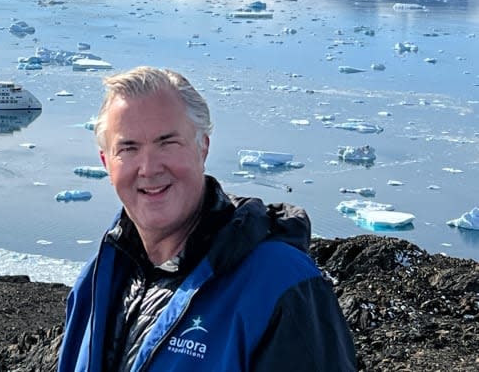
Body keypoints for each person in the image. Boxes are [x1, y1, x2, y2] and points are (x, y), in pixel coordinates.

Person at [57, 66, 356, 371]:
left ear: (203, 147)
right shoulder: (96, 281)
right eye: (128, 148)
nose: (148, 168)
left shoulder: (278, 284)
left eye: (167, 142)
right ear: (107, 163)